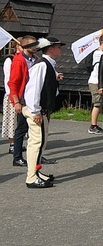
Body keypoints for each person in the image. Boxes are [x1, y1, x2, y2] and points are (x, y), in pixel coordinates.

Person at [22, 37, 65, 188]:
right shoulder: (42, 65)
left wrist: (55, 79)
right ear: (51, 48)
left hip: (42, 109)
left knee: (41, 143)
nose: (60, 49)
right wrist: (35, 111)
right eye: (58, 47)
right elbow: (33, 89)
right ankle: (31, 176)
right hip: (36, 110)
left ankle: (37, 171)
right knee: (36, 142)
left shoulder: (48, 65)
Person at [7, 36, 38, 167]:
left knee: (35, 129)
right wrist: (16, 101)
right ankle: (17, 156)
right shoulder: (19, 61)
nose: (36, 46)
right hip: (23, 98)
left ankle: (36, 155)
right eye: (33, 44)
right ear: (25, 46)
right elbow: (12, 82)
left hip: (33, 96)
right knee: (21, 128)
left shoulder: (35, 60)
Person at [87, 34, 103, 135]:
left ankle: (94, 124)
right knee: (97, 103)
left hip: (97, 81)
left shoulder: (101, 53)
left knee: (99, 103)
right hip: (95, 81)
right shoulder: (98, 54)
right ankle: (93, 125)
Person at [2, 39, 22, 154]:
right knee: (11, 120)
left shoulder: (25, 59)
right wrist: (12, 95)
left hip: (21, 94)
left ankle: (18, 143)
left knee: (19, 122)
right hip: (12, 94)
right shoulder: (10, 60)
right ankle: (12, 144)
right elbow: (9, 79)